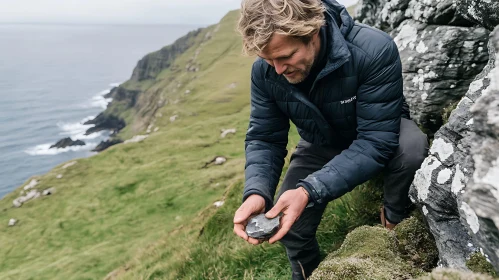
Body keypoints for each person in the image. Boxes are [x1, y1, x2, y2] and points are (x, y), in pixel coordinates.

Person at [232, 0, 429, 279]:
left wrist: (308, 191)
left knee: (411, 149)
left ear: (313, 33)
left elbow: (376, 142)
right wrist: (256, 192)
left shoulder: (373, 50)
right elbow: (265, 138)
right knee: (292, 228)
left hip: (379, 131)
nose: (277, 69)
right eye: (268, 60)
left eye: (286, 56)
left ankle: (394, 224)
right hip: (320, 142)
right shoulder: (265, 73)